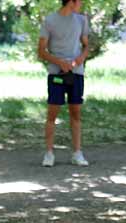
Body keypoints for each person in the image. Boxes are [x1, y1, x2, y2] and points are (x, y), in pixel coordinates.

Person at [38, 0, 89, 168]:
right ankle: (49, 154)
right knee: (52, 115)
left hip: (76, 74)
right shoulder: (50, 21)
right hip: (56, 74)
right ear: (71, 2)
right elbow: (41, 51)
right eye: (79, 1)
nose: (81, 3)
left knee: (76, 114)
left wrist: (78, 61)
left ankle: (77, 153)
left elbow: (86, 46)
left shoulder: (82, 20)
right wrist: (60, 62)